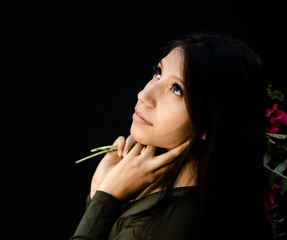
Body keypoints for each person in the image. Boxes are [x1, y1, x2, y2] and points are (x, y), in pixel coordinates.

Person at [70, 32, 275, 240]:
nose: (144, 95)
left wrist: (106, 199)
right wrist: (100, 192)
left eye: (177, 89)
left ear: (210, 123)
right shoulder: (147, 185)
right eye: (158, 73)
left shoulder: (172, 224)